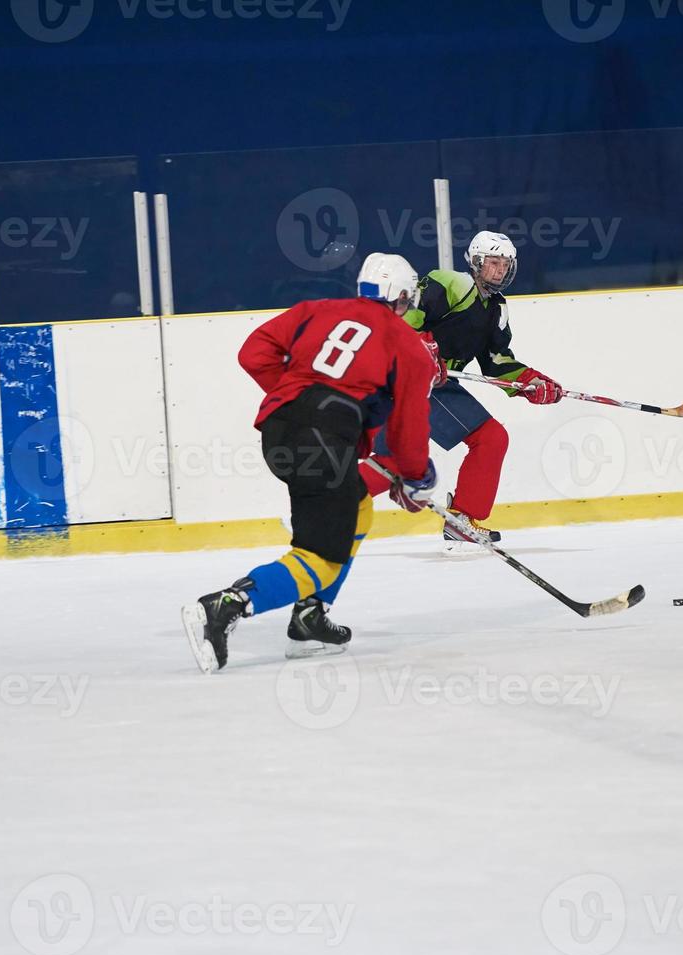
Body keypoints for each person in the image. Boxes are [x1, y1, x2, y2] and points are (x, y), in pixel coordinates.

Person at [181, 253, 440, 674]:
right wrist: (416, 476)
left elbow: (253, 354)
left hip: (279, 430)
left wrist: (297, 393)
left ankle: (310, 619)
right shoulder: (408, 346)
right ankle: (229, 603)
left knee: (358, 505)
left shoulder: (316, 310)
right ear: (403, 298)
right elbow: (410, 430)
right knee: (322, 557)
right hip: (323, 441)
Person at [359, 231, 565, 552]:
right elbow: (403, 321)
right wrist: (424, 351)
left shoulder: (497, 307)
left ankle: (463, 519)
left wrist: (531, 382)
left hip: (436, 383)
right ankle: (321, 507)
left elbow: (496, 360)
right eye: (493, 262)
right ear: (476, 262)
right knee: (395, 460)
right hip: (406, 377)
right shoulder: (449, 283)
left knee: (483, 441)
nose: (499, 270)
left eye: (505, 264)